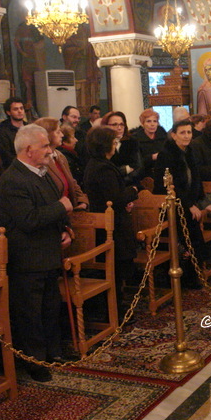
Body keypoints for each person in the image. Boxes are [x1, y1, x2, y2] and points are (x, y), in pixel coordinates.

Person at [0, 124, 73, 382]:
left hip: (48, 253)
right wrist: (62, 208)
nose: (50, 151)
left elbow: (54, 206)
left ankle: (53, 352)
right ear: (29, 150)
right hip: (27, 259)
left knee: (50, 306)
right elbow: (28, 219)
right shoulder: (13, 180)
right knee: (31, 313)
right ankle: (35, 360)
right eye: (45, 146)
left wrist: (66, 229)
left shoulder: (42, 172)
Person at [154, 119, 211, 287]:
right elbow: (172, 186)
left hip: (189, 203)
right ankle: (185, 278)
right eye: (182, 132)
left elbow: (195, 179)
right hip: (173, 207)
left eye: (189, 132)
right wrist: (189, 205)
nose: (187, 135)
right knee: (188, 239)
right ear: (174, 135)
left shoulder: (189, 151)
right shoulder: (166, 154)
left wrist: (202, 203)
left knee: (196, 236)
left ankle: (194, 275)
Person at [83, 126, 140, 297]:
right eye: (113, 142)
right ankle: (116, 308)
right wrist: (133, 191)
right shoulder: (103, 168)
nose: (115, 145)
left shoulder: (98, 164)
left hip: (112, 220)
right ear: (105, 145)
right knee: (115, 269)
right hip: (113, 226)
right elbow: (114, 198)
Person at [32, 117, 89, 211]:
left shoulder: (59, 155)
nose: (62, 135)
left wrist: (82, 200)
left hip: (71, 209)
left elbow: (71, 181)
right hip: (56, 211)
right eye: (58, 132)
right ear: (48, 135)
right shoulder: (39, 160)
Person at [100, 111, 142, 185]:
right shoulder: (101, 144)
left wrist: (123, 180)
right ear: (105, 126)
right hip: (109, 184)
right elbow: (104, 171)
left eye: (121, 124)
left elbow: (137, 167)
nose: (119, 128)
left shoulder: (132, 141)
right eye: (114, 124)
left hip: (131, 183)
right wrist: (125, 170)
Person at [130, 108, 168, 181]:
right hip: (144, 174)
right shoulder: (136, 139)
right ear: (143, 123)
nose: (152, 124)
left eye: (155, 121)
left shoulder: (163, 135)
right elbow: (136, 161)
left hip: (162, 172)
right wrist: (152, 157)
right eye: (148, 121)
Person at [0, 96, 27, 169]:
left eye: (21, 108)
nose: (20, 111)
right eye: (16, 109)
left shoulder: (29, 128)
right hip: (14, 167)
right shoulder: (3, 131)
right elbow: (6, 156)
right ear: (8, 112)